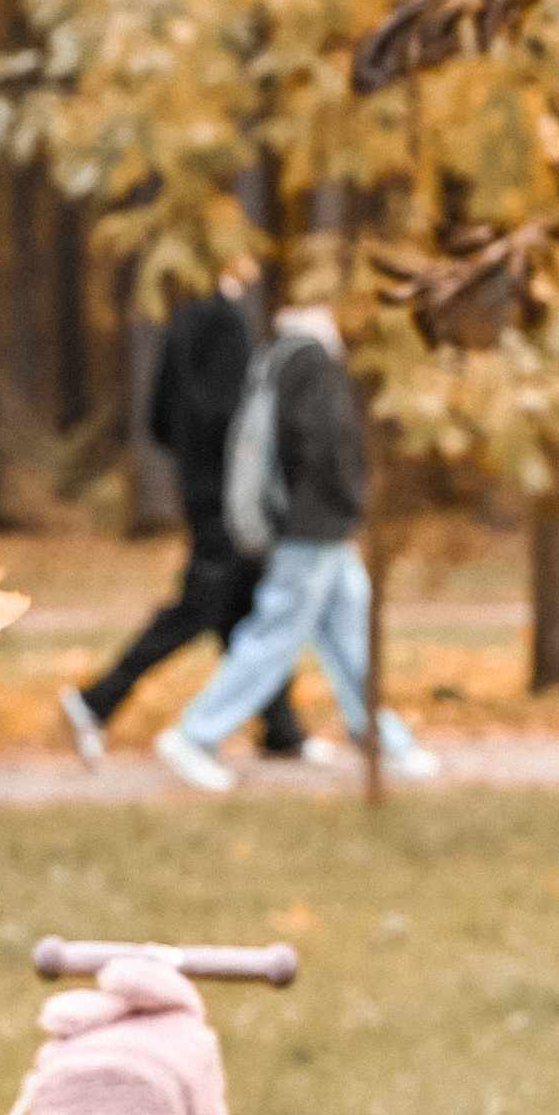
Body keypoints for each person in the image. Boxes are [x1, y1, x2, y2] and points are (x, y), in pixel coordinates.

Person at [153, 302, 438, 792]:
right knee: (275, 634)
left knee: (352, 633)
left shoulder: (280, 357)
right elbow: (322, 445)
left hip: (312, 526)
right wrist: (351, 501)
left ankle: (382, 738)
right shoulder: (314, 362)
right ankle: (194, 735)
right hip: (314, 527)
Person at [60, 276, 312, 769]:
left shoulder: (182, 319)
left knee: (238, 605)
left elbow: (158, 420)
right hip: (226, 496)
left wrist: (193, 464)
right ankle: (97, 700)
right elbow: (233, 418)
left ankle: (282, 729)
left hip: (198, 491)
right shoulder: (225, 321)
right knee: (204, 602)